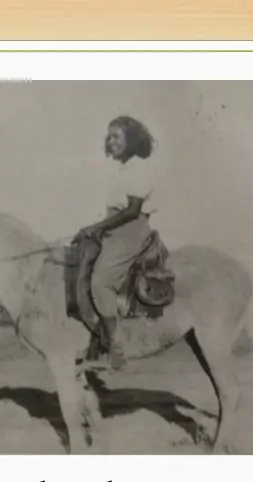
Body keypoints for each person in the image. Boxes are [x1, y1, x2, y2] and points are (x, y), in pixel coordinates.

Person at [73, 115, 159, 370]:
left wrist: (96, 227)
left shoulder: (139, 168)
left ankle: (115, 343)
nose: (111, 142)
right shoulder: (122, 169)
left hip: (131, 230)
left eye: (117, 137)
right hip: (116, 228)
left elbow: (132, 210)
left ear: (131, 140)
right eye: (109, 137)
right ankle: (92, 339)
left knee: (101, 281)